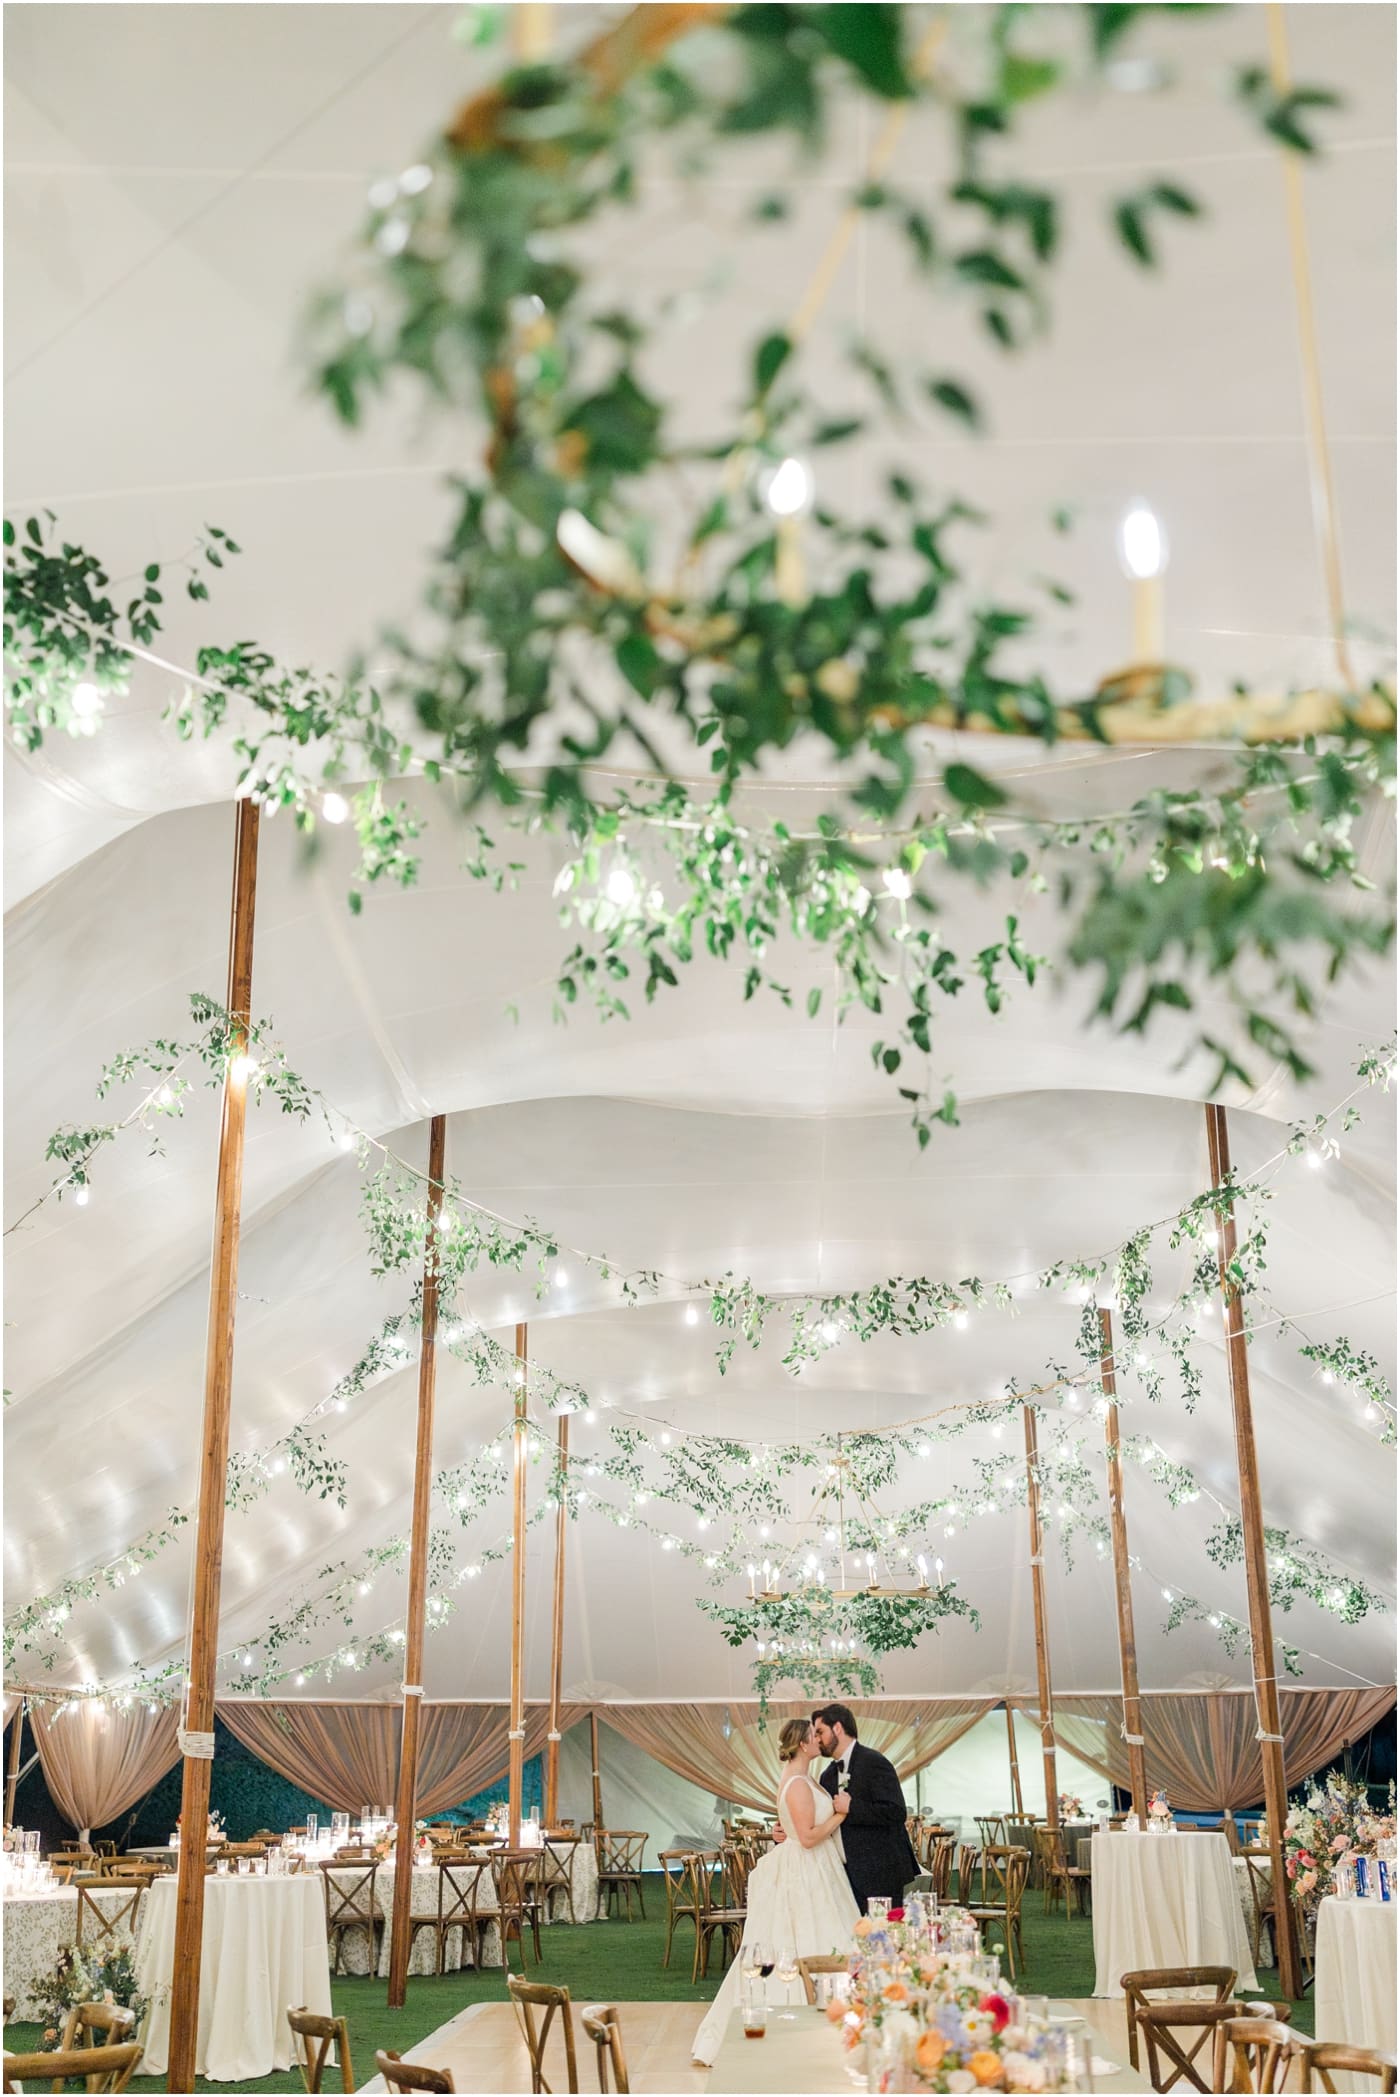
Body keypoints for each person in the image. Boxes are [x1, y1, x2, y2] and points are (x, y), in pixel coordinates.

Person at [691, 1717, 859, 2065]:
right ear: (803, 1744)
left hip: (817, 1869)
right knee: (803, 1937)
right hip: (807, 1869)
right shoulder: (797, 1782)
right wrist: (841, 1815)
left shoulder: (804, 1777)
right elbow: (809, 1838)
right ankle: (801, 2027)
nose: (819, 1741)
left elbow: (796, 1828)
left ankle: (837, 2024)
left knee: (825, 1937)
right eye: (815, 1736)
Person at [813, 1702, 919, 1912]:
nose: (817, 1739)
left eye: (820, 1732)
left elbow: (896, 1812)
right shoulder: (828, 1775)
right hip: (845, 1876)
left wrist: (853, 1806)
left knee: (883, 1939)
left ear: (837, 1728)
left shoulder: (874, 1762)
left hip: (881, 1872)